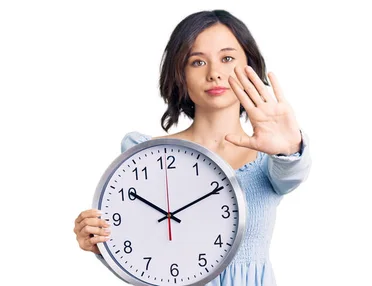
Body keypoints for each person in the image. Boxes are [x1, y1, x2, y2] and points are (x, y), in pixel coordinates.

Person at [72, 9, 311, 286]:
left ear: (250, 67)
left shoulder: (272, 161)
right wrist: (101, 242)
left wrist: (289, 148)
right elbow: (143, 253)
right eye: (197, 62)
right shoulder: (147, 157)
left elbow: (292, 171)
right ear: (180, 74)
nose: (215, 73)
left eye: (228, 58)